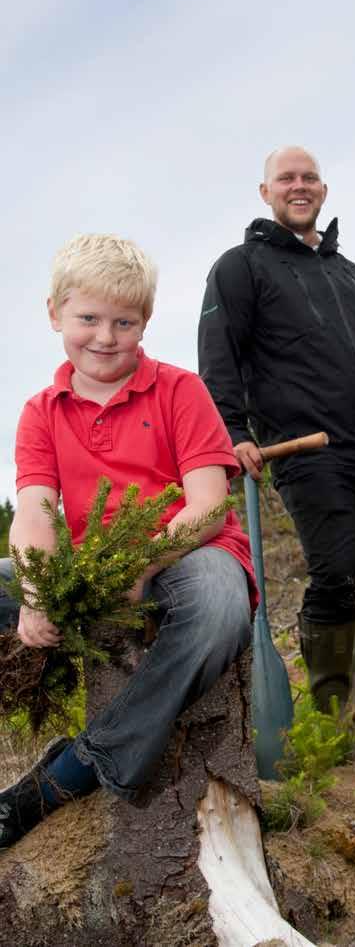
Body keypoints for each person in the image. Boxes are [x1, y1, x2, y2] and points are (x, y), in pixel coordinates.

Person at [0, 234, 255, 848]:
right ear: (55, 313)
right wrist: (36, 594)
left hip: (189, 558)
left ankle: (78, 768)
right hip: (92, 568)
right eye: (88, 318)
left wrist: (142, 564)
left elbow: (209, 507)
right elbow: (34, 514)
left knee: (221, 607)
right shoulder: (41, 411)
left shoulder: (179, 390)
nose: (105, 337)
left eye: (124, 322)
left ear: (145, 321)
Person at [198, 146, 355, 757]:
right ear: (264, 193)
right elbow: (218, 358)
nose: (300, 186)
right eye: (286, 178)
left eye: (310, 177)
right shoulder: (240, 268)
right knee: (337, 574)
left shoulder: (354, 275)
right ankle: (326, 718)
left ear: (323, 189)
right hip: (306, 449)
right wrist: (234, 432)